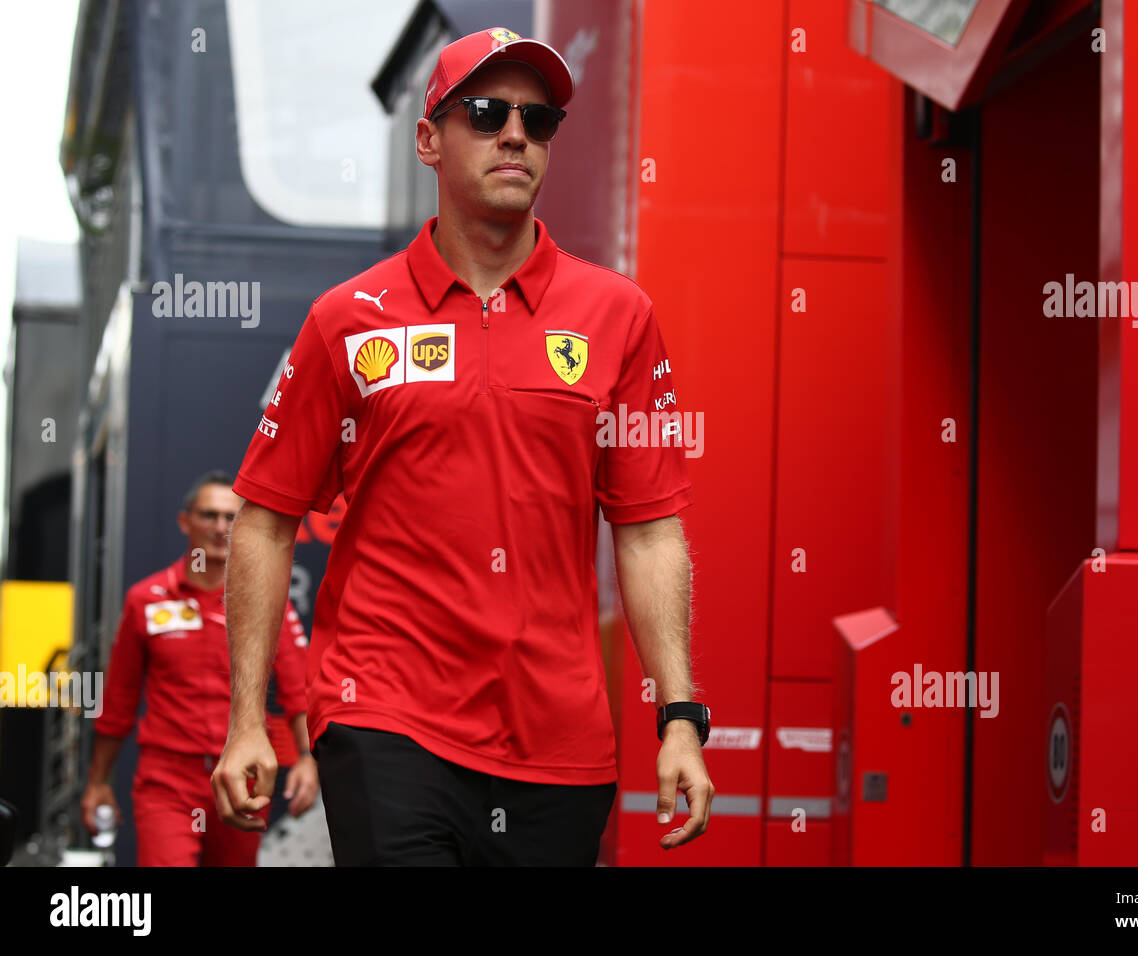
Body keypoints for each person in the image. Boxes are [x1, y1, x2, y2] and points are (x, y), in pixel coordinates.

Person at [212, 26, 713, 866]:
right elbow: (264, 522)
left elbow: (650, 528)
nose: (515, 133)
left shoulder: (618, 316)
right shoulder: (348, 319)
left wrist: (680, 720)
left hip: (560, 740)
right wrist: (245, 722)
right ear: (428, 139)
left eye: (537, 119)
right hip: (386, 715)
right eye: (485, 113)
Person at [81, 471, 317, 866]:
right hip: (167, 779)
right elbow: (118, 700)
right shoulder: (147, 599)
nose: (220, 527)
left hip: (242, 773)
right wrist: (98, 781)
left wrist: (308, 759)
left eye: (231, 517)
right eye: (208, 515)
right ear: (184, 521)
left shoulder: (267, 602)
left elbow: (298, 689)